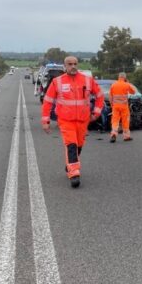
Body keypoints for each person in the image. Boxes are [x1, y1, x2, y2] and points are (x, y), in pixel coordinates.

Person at [41, 56, 103, 188]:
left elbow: (99, 96)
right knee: (72, 145)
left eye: (75, 64)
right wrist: (45, 120)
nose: (73, 66)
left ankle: (70, 165)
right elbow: (48, 101)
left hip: (83, 120)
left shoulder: (87, 80)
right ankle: (74, 174)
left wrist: (96, 113)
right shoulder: (57, 82)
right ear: (65, 66)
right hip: (65, 120)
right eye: (70, 64)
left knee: (79, 145)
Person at [108, 72, 135, 142]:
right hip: (124, 106)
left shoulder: (113, 85)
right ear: (125, 78)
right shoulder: (126, 84)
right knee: (125, 121)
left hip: (115, 106)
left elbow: (110, 97)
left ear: (118, 77)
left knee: (115, 121)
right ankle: (126, 136)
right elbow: (133, 92)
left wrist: (112, 105)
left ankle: (113, 134)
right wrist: (128, 83)